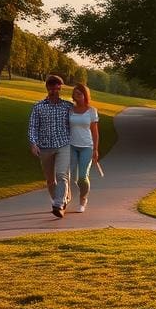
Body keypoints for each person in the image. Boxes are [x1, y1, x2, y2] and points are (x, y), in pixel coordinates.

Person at [28, 74, 72, 218]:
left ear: (60, 87)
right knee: (50, 179)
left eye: (56, 85)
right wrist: (33, 143)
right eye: (50, 85)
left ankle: (58, 205)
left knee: (62, 175)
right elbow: (33, 126)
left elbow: (77, 123)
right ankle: (61, 199)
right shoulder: (38, 107)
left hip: (64, 144)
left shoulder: (68, 106)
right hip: (45, 147)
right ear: (47, 87)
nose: (53, 88)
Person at [68, 83, 99, 213]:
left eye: (80, 93)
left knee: (82, 176)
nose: (78, 96)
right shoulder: (70, 110)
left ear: (85, 95)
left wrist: (96, 150)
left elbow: (95, 132)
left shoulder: (91, 111)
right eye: (75, 93)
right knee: (71, 177)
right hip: (71, 146)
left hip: (87, 147)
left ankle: (83, 199)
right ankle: (66, 199)